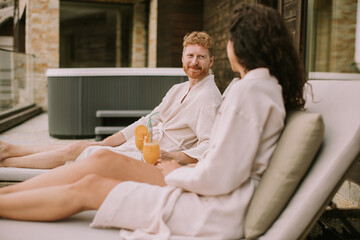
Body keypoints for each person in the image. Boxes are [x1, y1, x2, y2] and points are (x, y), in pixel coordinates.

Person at [0, 3, 307, 239]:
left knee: (89, 187)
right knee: (100, 160)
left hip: (214, 209)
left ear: (240, 45)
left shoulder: (251, 92)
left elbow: (220, 176)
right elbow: (223, 160)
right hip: (212, 192)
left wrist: (176, 171)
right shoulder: (258, 87)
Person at [0, 31, 222, 169]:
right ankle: (10, 150)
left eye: (200, 57)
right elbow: (149, 120)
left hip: (153, 159)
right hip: (143, 147)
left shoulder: (209, 98)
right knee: (80, 146)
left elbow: (208, 145)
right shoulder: (179, 88)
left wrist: (172, 156)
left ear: (210, 61)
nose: (194, 62)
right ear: (182, 58)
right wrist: (108, 141)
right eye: (190, 56)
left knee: (75, 151)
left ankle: (8, 159)